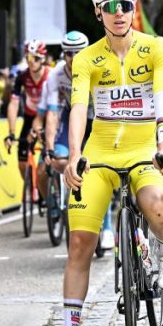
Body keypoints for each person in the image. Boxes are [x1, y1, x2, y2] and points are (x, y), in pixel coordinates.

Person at [45, 0, 163, 326]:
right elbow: (79, 107)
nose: (119, 13)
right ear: (98, 12)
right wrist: (73, 157)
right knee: (80, 243)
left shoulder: (156, 47)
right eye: (110, 7)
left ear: (133, 8)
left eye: (126, 5)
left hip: (143, 148)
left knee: (157, 204)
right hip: (100, 152)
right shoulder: (86, 58)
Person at [41, 32, 102, 240]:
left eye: (79, 52)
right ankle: (60, 198)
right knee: (58, 158)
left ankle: (108, 227)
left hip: (96, 116)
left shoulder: (97, 66)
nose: (74, 57)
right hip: (71, 115)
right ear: (63, 54)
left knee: (98, 169)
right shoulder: (55, 75)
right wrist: (49, 146)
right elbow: (52, 112)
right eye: (69, 53)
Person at [5, 39, 49, 185]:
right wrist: (11, 132)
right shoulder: (22, 77)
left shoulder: (51, 76)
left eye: (36, 58)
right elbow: (13, 104)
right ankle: (32, 188)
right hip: (30, 117)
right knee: (22, 161)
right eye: (29, 57)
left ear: (42, 59)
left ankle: (50, 183)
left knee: (50, 153)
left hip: (48, 117)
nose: (31, 62)